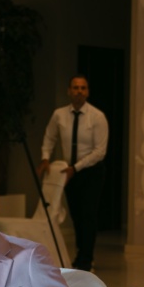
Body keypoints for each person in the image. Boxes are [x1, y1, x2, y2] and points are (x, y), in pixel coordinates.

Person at [37, 75, 108, 272]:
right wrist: (45, 157)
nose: (79, 91)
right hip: (69, 172)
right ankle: (80, 254)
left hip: (91, 171)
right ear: (69, 91)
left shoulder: (97, 116)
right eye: (75, 88)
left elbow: (100, 151)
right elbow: (49, 137)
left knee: (88, 215)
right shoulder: (59, 115)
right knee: (76, 215)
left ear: (88, 92)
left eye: (83, 88)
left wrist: (76, 167)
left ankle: (86, 258)